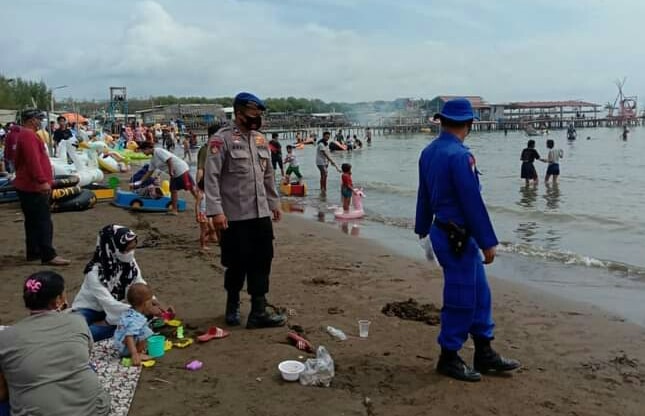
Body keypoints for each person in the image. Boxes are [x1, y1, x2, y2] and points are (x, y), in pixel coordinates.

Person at [415, 98, 520, 382]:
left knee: (480, 293)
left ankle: (484, 352)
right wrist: (488, 241)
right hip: (456, 237)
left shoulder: (428, 152)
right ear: (469, 124)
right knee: (461, 297)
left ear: (442, 121)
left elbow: (423, 194)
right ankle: (448, 357)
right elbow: (472, 201)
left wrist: (422, 229)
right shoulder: (460, 156)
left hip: (445, 232)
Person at [204, 92, 286, 329]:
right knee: (236, 263)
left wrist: (274, 203)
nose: (256, 119)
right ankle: (232, 306)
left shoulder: (260, 140)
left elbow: (268, 175)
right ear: (239, 114)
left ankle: (258, 312)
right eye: (252, 115)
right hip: (234, 216)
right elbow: (212, 178)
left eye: (259, 115)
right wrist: (215, 211)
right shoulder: (222, 140)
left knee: (262, 261)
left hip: (260, 215)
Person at [0, 271, 110, 415]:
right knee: (85, 366)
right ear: (58, 300)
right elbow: (85, 354)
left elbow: (2, 392)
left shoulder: (5, 337)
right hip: (94, 410)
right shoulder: (77, 321)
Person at [72, 224, 171, 341]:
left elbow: (139, 283)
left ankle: (109, 325)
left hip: (117, 309)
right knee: (77, 329)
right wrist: (146, 309)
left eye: (133, 248)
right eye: (127, 250)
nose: (131, 253)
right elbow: (108, 302)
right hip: (91, 308)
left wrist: (154, 302)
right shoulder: (94, 272)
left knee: (133, 322)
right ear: (113, 247)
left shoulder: (128, 262)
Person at [14, 110, 70, 266]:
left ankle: (34, 252)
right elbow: (33, 161)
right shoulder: (29, 136)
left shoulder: (25, 135)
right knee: (43, 221)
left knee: (32, 222)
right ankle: (48, 255)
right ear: (32, 120)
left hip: (27, 184)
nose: (41, 122)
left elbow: (21, 161)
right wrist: (42, 181)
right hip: (33, 186)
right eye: (39, 119)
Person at [138, 141, 198, 214]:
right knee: (173, 189)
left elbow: (169, 159)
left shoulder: (158, 151)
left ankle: (201, 203)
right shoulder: (153, 160)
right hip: (174, 173)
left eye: (143, 151)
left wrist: (170, 170)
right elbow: (149, 172)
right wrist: (139, 182)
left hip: (180, 169)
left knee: (191, 188)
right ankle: (174, 210)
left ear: (147, 148)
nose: (143, 153)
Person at [113, 283, 155, 366]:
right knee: (145, 330)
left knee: (143, 328)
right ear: (145, 304)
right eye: (151, 303)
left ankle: (135, 351)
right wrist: (134, 353)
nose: (151, 306)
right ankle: (139, 353)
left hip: (119, 345)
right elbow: (129, 336)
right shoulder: (137, 319)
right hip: (126, 349)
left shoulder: (129, 312)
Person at [316, 131, 341, 196]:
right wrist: (332, 161)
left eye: (328, 137)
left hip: (325, 162)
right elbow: (325, 154)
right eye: (326, 137)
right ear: (323, 136)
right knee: (325, 174)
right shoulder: (321, 144)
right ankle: (323, 189)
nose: (328, 138)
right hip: (320, 162)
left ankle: (323, 188)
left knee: (323, 176)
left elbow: (328, 153)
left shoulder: (326, 143)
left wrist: (330, 161)